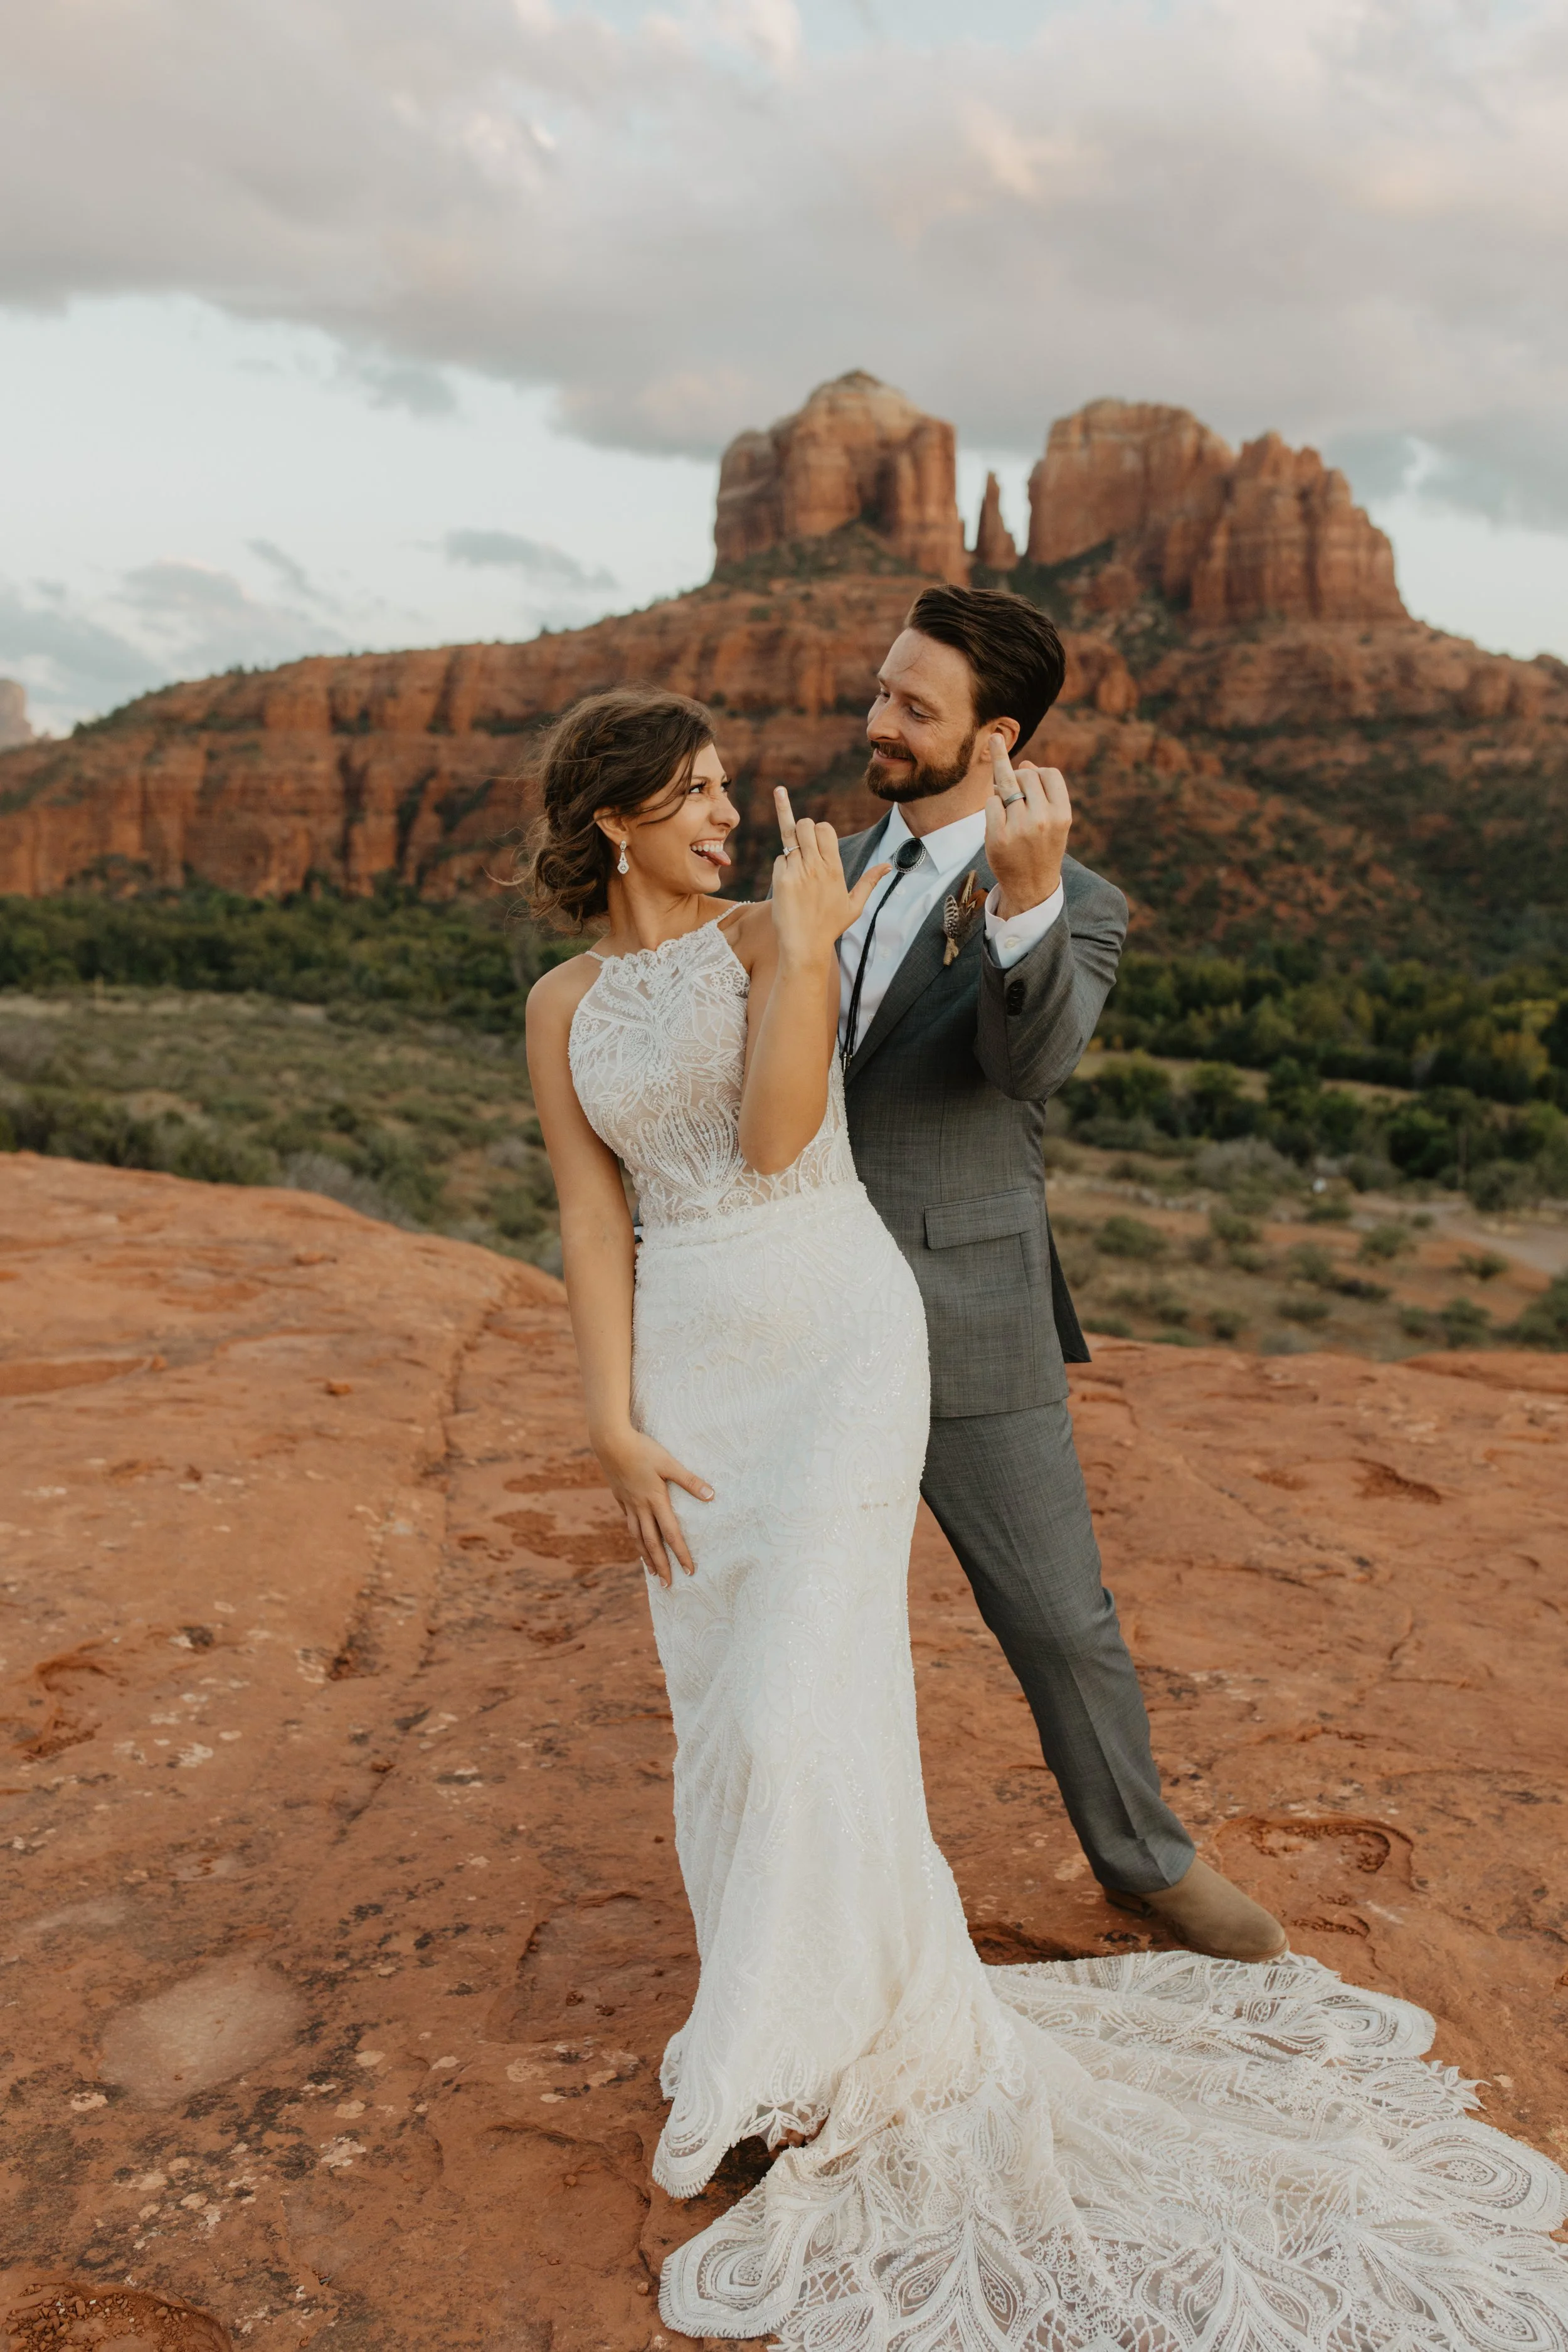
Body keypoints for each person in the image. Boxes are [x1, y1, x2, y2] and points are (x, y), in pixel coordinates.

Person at [525, 682, 1568, 2349]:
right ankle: (787, 2020)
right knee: (725, 1721)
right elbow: (591, 1216)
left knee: (802, 1706)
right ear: (613, 820)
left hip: (834, 1338)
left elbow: (780, 1134)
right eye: (698, 792)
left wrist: (798, 948)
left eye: (728, 787)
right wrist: (608, 1419)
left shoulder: (757, 942)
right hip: (694, 1372)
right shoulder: (559, 998)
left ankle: (802, 2060)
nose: (731, 812)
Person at [833, 583, 1279, 1959]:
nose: (880, 719)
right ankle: (830, 1889)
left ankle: (1141, 1860)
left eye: (916, 706)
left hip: (967, 1309)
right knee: (809, 1622)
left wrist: (1019, 907)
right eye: (883, 690)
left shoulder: (1077, 904)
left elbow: (1027, 1069)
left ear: (996, 734)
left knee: (1057, 1616)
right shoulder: (829, 862)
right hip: (803, 1306)